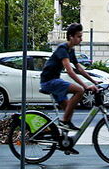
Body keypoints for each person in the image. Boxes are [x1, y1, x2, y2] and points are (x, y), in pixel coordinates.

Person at [40, 23, 99, 151]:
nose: (81, 39)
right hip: (50, 81)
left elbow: (79, 68)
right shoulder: (63, 49)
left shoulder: (70, 50)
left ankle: (65, 142)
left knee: (69, 108)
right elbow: (70, 71)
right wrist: (85, 86)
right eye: (79, 36)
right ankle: (64, 122)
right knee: (79, 91)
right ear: (71, 37)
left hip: (54, 81)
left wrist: (94, 82)